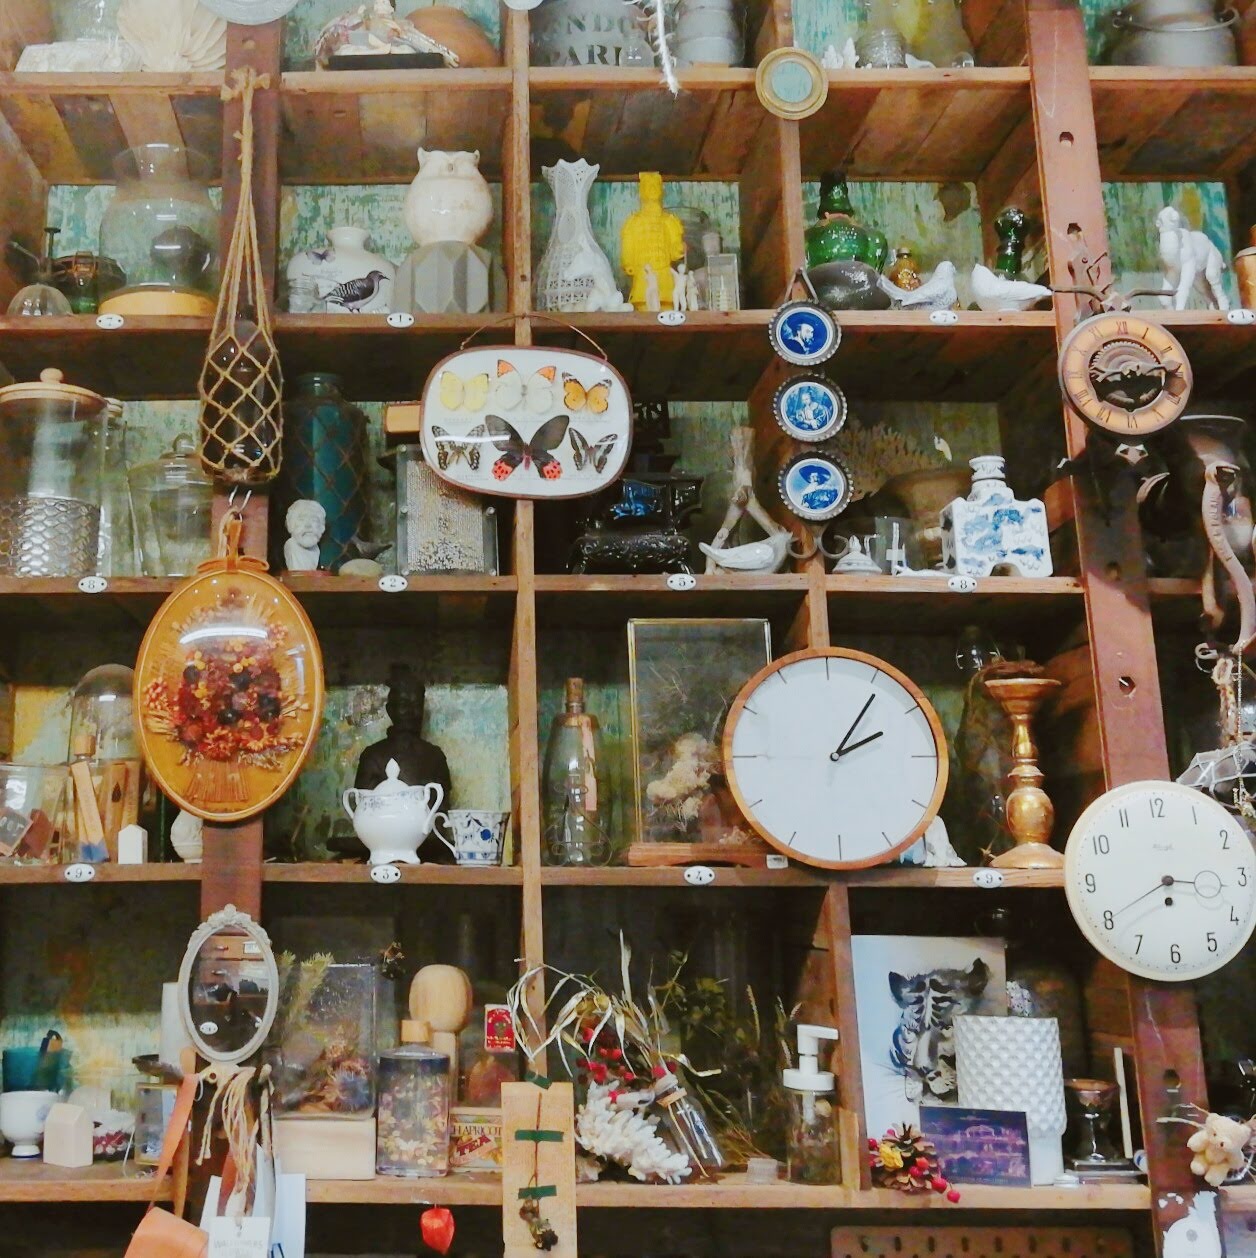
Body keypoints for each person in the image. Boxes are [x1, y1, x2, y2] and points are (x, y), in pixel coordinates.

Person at [284, 499, 326, 571]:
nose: (308, 525)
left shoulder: (316, 549)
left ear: (321, 527)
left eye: (314, 520)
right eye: (302, 519)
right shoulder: (291, 545)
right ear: (291, 524)